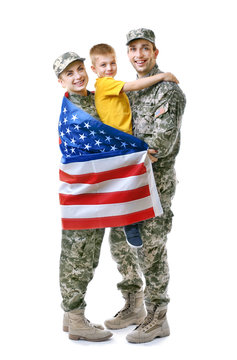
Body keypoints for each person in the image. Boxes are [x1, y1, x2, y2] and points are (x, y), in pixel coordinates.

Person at [105, 28, 186, 343]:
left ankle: (158, 316)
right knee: (120, 244)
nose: (138, 55)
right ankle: (133, 305)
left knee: (150, 247)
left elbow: (161, 143)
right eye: (133, 49)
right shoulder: (128, 90)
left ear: (155, 53)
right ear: (128, 54)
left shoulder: (167, 91)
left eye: (145, 48)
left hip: (155, 181)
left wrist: (126, 156)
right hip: (126, 180)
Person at [89, 43, 178, 248]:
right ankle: (130, 224)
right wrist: (162, 76)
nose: (109, 68)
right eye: (103, 65)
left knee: (133, 184)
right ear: (94, 70)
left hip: (128, 142)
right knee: (127, 186)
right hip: (119, 144)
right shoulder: (105, 84)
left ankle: (130, 221)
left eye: (112, 63)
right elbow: (133, 86)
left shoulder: (107, 85)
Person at [53, 52, 113, 342]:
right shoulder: (71, 111)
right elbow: (106, 139)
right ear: (61, 81)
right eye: (70, 73)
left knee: (89, 254)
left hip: (98, 189)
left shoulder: (94, 96)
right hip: (81, 191)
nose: (78, 76)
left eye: (80, 69)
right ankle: (76, 318)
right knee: (76, 253)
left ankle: (71, 316)